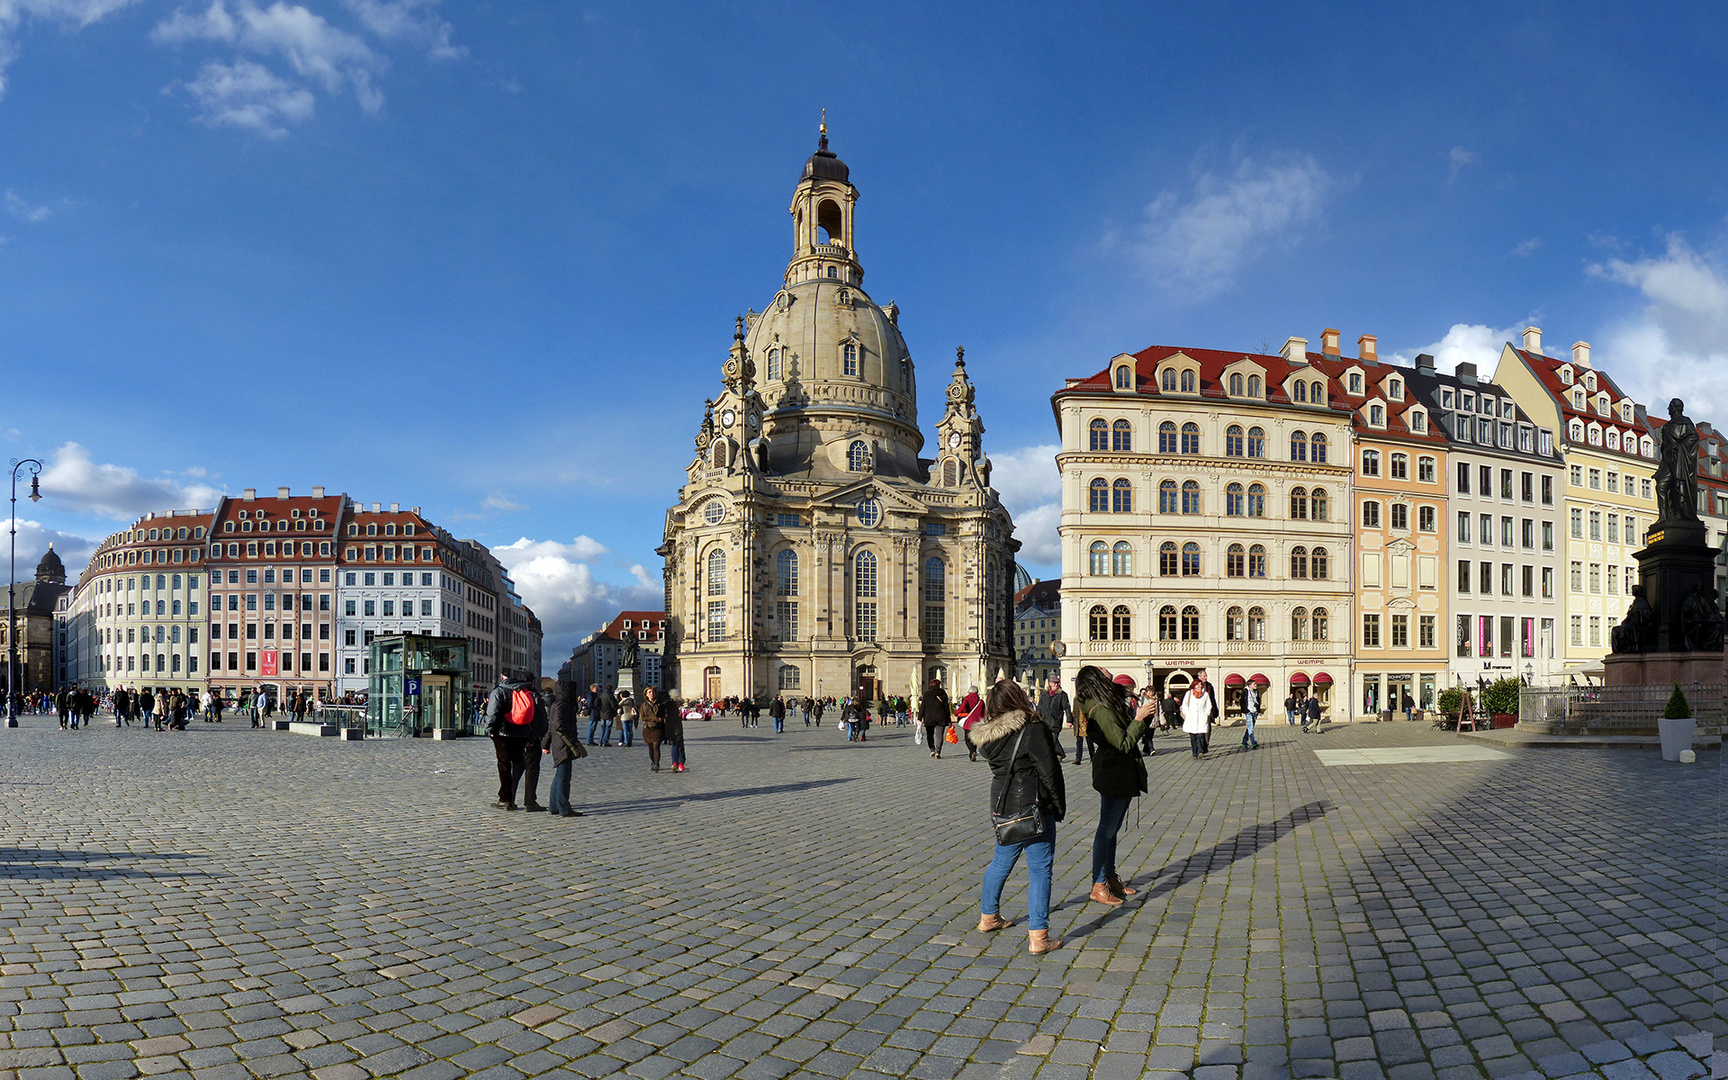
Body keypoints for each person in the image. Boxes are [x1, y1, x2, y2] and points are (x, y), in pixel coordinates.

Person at [973, 679, 1066, 955]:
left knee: (1001, 861)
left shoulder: (987, 736)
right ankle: (1039, 936)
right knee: (1040, 869)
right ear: (1018, 699)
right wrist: (1059, 806)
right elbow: (1050, 771)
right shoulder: (1032, 728)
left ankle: (988, 917)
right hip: (1033, 804)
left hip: (1002, 803)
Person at [1075, 667, 1155, 907]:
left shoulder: (1106, 703)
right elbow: (1122, 743)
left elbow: (1125, 734)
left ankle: (1109, 877)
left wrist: (1143, 715)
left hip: (1119, 772)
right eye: (1102, 670)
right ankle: (1098, 884)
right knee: (1106, 830)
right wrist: (1139, 719)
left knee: (1113, 829)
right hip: (1114, 773)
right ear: (1096, 680)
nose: (1108, 670)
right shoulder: (1100, 709)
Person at [484, 669, 542, 810]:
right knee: (518, 765)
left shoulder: (499, 691)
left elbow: (492, 713)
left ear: (503, 677)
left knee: (504, 766)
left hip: (503, 734)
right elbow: (538, 718)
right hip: (522, 733)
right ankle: (527, 800)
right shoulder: (526, 691)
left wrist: (490, 730)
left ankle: (506, 799)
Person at [542, 680, 586, 817]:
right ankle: (564, 808)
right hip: (563, 744)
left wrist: (545, 743)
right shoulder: (562, 704)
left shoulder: (558, 703)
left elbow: (551, 727)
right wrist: (571, 738)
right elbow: (558, 725)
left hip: (558, 743)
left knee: (559, 776)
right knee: (563, 777)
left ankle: (554, 806)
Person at [1181, 671, 1219, 757]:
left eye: (1200, 685)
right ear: (1194, 685)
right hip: (1192, 717)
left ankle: (1201, 751)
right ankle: (1195, 753)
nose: (1199, 686)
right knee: (1193, 737)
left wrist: (1206, 714)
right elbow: (1185, 704)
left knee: (1201, 735)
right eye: (1197, 685)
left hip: (1202, 716)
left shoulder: (1205, 694)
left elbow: (1209, 704)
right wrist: (1187, 714)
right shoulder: (1189, 693)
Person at [1036, 678, 1073, 763]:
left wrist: (1069, 720)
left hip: (1056, 720)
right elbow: (1040, 707)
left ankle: (1060, 754)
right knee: (1048, 739)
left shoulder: (1062, 695)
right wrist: (1037, 717)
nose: (1055, 685)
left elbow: (1067, 708)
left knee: (1053, 738)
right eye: (1054, 683)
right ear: (1050, 683)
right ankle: (1056, 754)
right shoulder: (1044, 694)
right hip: (1045, 720)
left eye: (1057, 683)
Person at [920, 678, 951, 759]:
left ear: (931, 685)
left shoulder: (927, 694)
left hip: (929, 717)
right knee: (939, 735)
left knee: (930, 735)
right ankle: (938, 751)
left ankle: (932, 749)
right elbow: (946, 707)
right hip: (941, 717)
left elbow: (923, 706)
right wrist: (949, 718)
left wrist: (920, 717)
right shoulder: (943, 693)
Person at [639, 686, 667, 771]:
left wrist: (661, 718)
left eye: (653, 692)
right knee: (650, 746)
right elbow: (643, 717)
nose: (652, 694)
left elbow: (663, 714)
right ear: (646, 695)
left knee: (656, 745)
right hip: (648, 728)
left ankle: (656, 763)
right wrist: (655, 718)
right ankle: (653, 761)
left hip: (658, 727)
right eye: (650, 692)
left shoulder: (660, 704)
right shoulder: (643, 705)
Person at [957, 685, 984, 761]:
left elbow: (962, 708)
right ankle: (973, 753)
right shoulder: (981, 701)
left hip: (969, 722)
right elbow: (984, 713)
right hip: (978, 722)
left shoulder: (967, 699)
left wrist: (956, 713)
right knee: (974, 738)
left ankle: (972, 751)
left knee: (967, 739)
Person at [664, 694, 688, 772]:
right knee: (679, 745)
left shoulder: (668, 709)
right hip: (676, 728)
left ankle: (675, 763)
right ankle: (680, 763)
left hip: (670, 728)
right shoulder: (674, 709)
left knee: (675, 745)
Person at [1241, 680, 1261, 750]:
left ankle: (1244, 741)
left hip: (1254, 712)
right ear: (1250, 685)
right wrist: (1245, 710)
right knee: (1250, 727)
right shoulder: (1245, 691)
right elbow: (1242, 701)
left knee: (1250, 727)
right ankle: (1253, 742)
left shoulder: (1256, 692)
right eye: (1254, 684)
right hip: (1248, 712)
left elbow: (1258, 700)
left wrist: (1258, 710)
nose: (1256, 685)